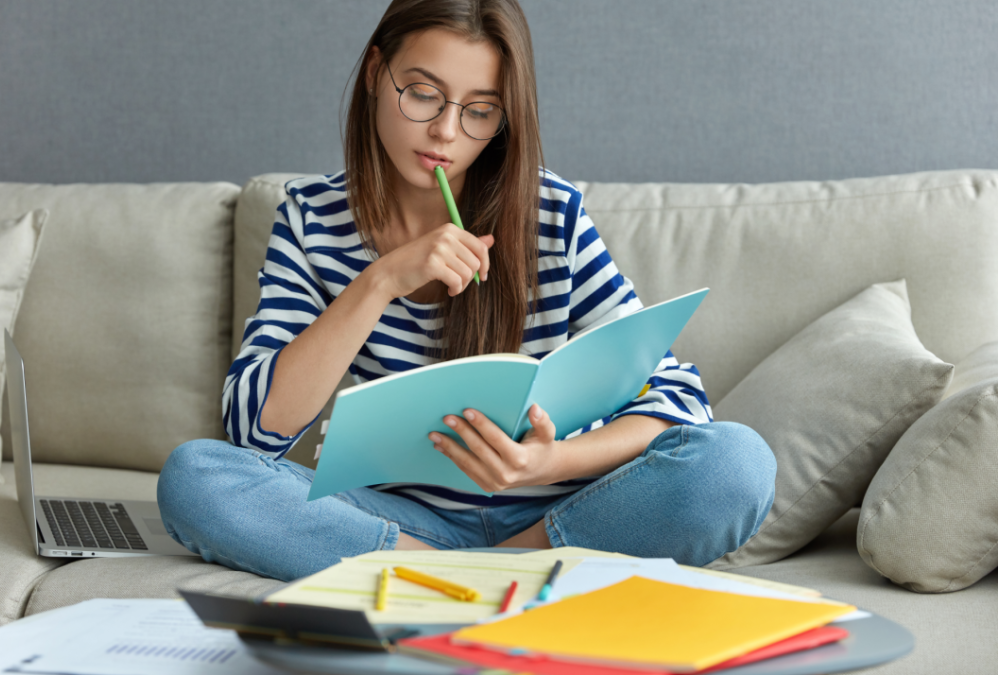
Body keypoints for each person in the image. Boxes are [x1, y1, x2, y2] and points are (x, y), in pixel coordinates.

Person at [157, 0, 776, 582]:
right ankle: (461, 575)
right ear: (376, 72)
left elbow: (677, 401)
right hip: (397, 522)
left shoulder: (548, 213)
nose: (445, 133)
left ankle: (458, 577)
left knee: (737, 465)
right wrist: (381, 281)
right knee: (195, 478)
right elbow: (252, 433)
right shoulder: (310, 219)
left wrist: (547, 463)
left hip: (555, 516)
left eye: (479, 110)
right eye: (423, 94)